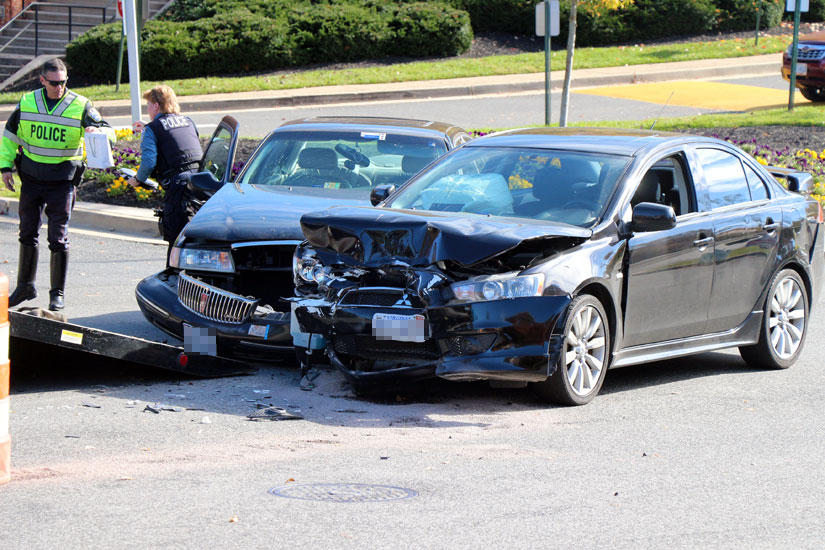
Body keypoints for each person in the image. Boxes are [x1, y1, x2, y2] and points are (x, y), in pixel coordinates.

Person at [1, 57, 115, 311]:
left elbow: (109, 131)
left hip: (61, 182)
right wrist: (5, 166)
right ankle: (25, 286)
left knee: (58, 238)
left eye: (63, 82)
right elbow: (10, 135)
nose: (59, 87)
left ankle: (57, 294)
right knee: (27, 233)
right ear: (42, 80)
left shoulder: (80, 105)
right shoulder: (28, 102)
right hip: (31, 178)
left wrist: (99, 133)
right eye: (54, 83)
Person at [126, 85, 202, 253]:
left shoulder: (152, 129)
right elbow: (175, 137)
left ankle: (176, 277)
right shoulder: (188, 121)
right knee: (197, 242)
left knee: (176, 245)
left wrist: (137, 179)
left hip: (178, 190)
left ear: (155, 105)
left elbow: (148, 163)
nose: (147, 109)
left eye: (148, 105)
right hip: (201, 185)